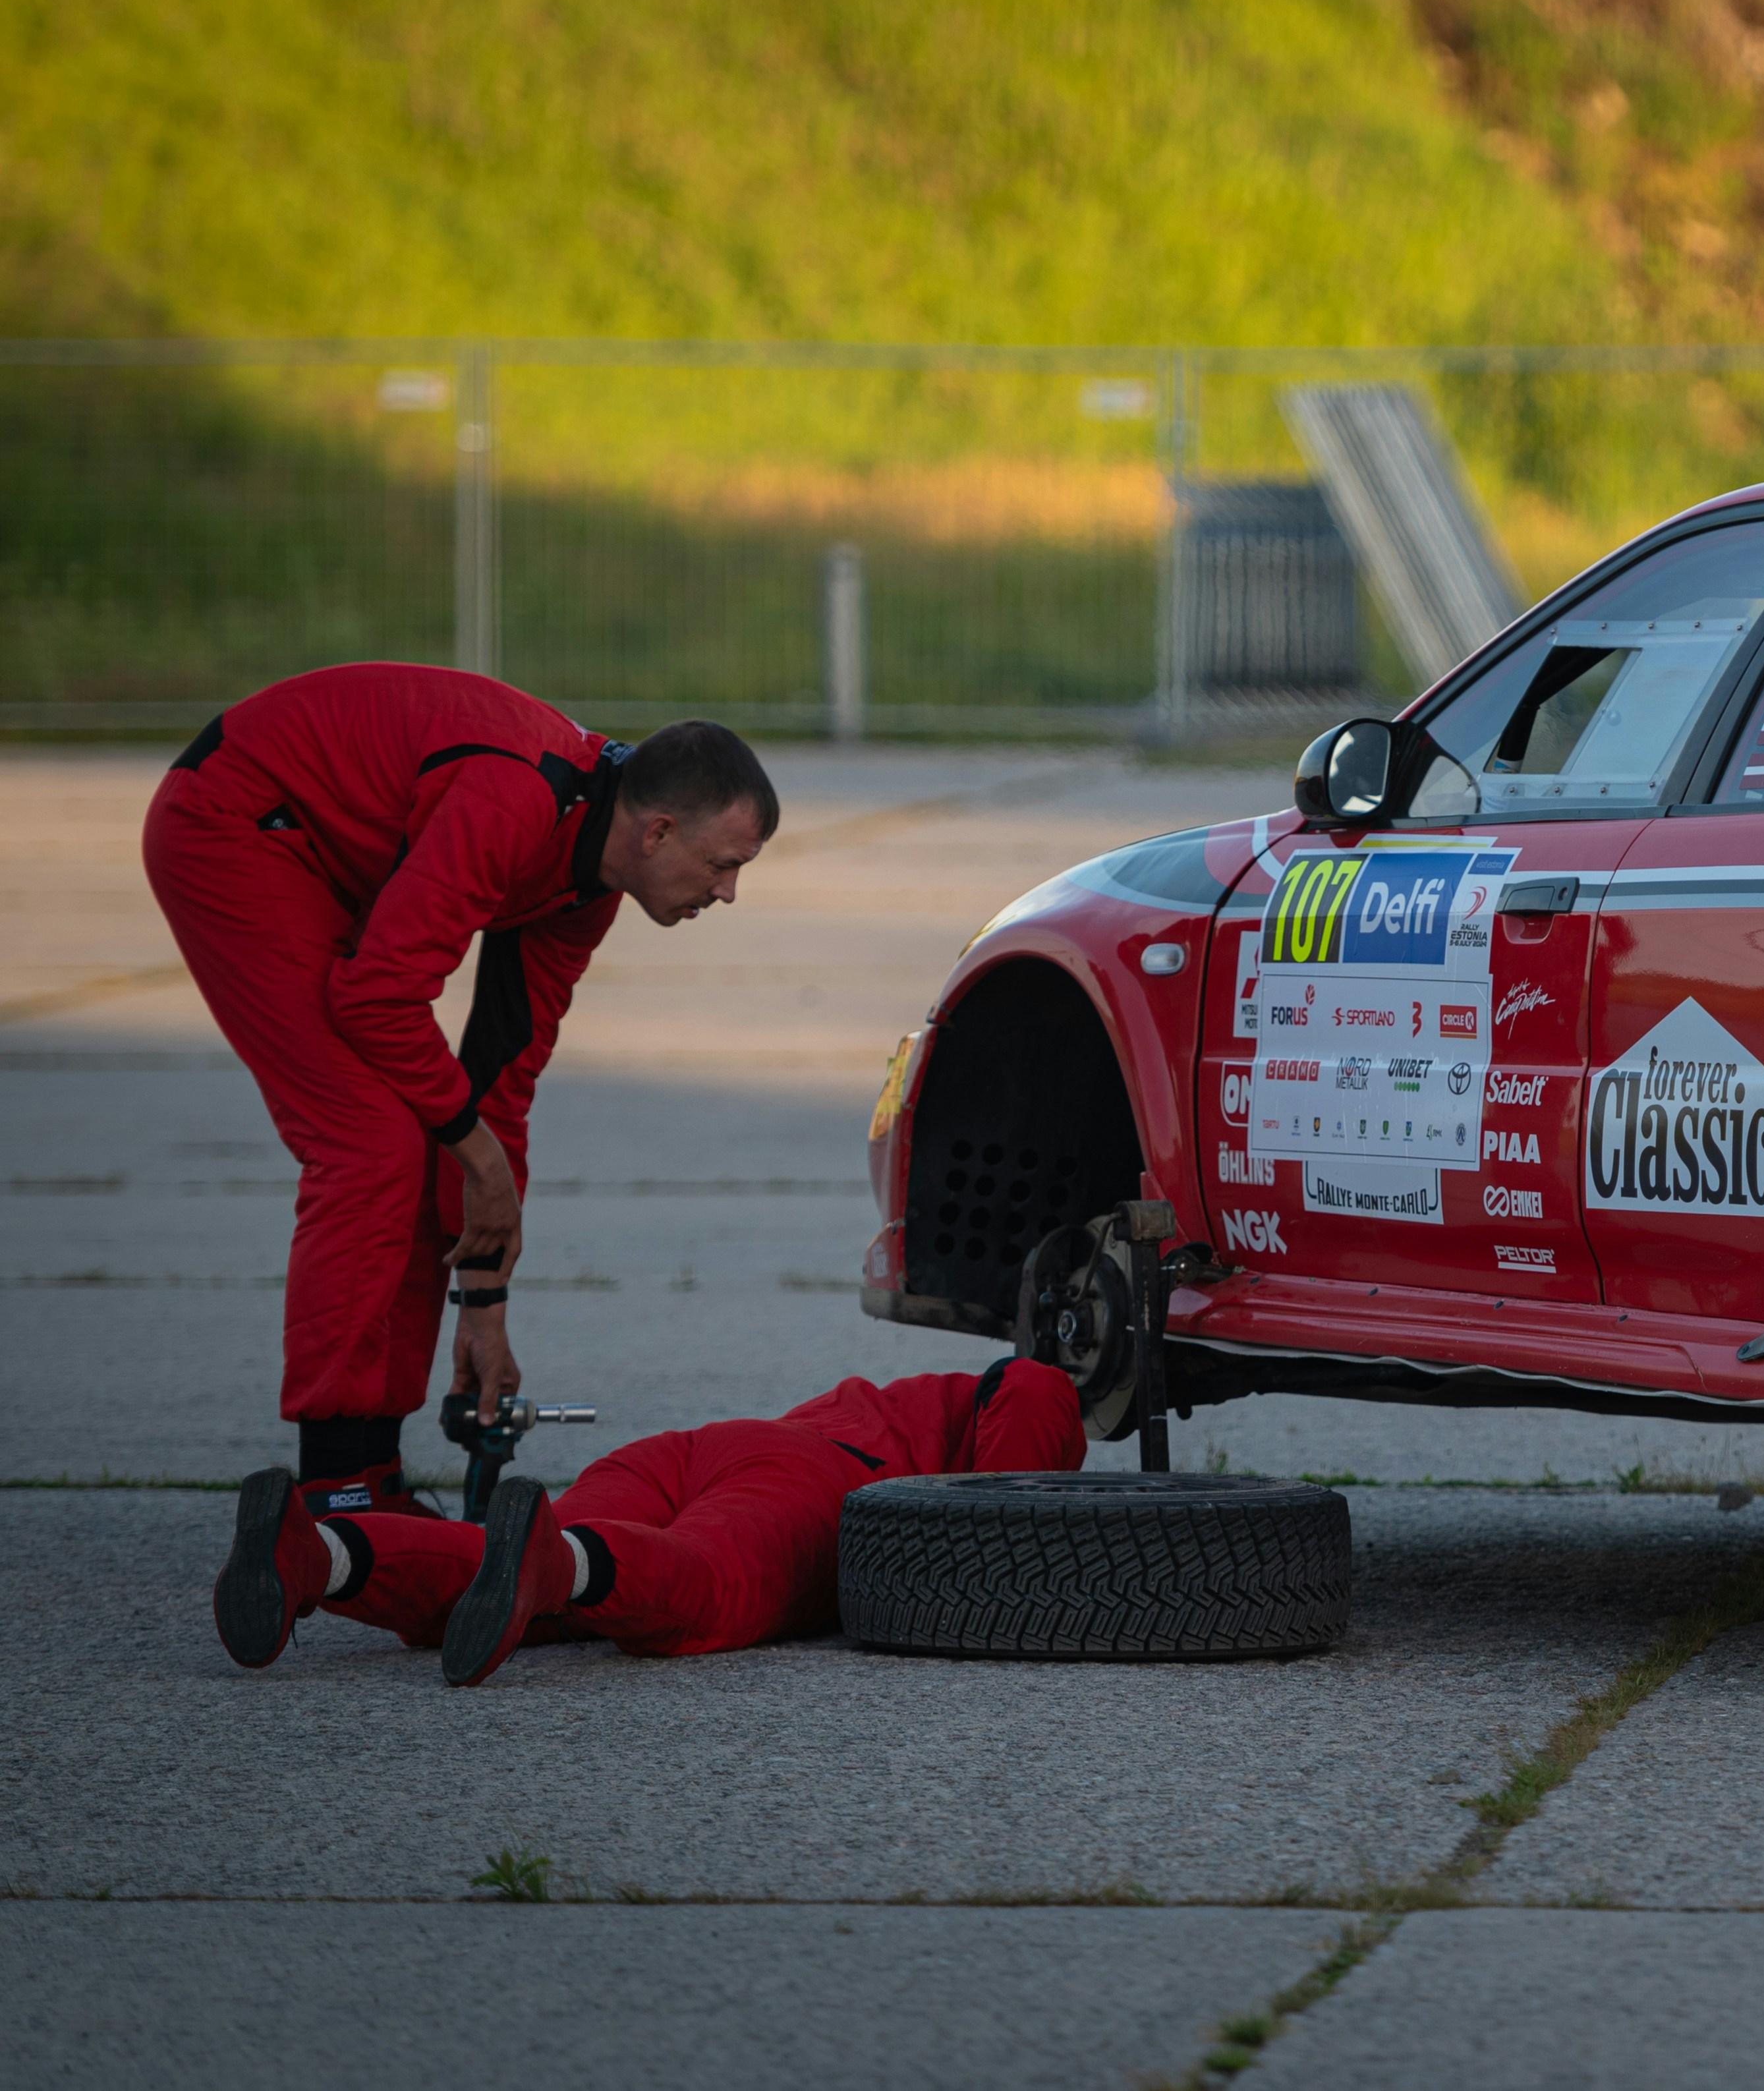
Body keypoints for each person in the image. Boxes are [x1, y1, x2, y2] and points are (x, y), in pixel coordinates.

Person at [142, 666, 777, 1518]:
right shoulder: (516, 802)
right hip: (235, 821)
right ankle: (339, 1485)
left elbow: (500, 1085)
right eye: (724, 864)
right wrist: (475, 1154)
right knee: (369, 1142)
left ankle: (373, 1478)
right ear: (659, 831)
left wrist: (485, 1303)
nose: (730, 893)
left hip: (328, 856)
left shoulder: (588, 884)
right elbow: (375, 997)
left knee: (428, 1130)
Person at [214, 1358, 1089, 1685]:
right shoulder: (1028, 1388)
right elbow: (994, 1509)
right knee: (700, 1583)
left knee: (494, 1564)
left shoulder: (891, 1392)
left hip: (688, 1451)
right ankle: (561, 1568)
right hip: (818, 1482)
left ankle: (316, 1555)